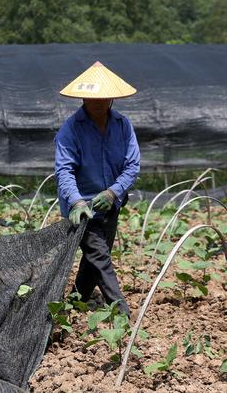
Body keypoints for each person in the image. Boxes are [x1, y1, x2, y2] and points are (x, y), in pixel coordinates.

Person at [54, 61, 140, 318]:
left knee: (94, 262)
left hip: (111, 204)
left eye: (104, 97)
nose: (99, 102)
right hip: (83, 210)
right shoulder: (71, 129)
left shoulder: (123, 126)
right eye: (93, 97)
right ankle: (122, 312)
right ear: (83, 97)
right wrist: (78, 202)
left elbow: (133, 165)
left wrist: (114, 192)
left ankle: (74, 303)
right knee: (100, 258)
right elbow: (64, 171)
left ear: (112, 97)